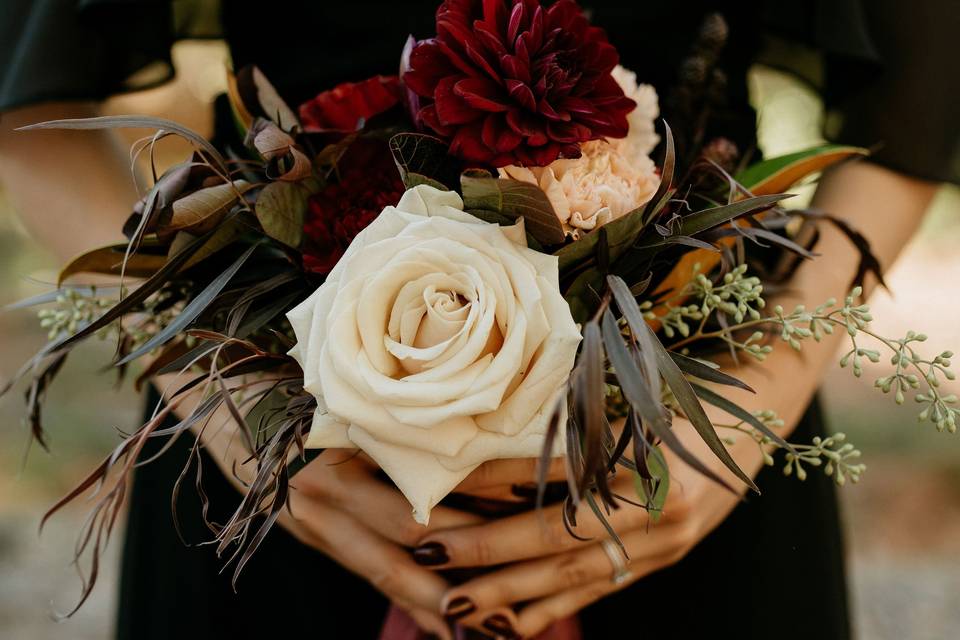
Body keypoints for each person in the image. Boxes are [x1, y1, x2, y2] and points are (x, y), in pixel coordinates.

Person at [0, 1, 955, 638]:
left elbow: (916, 100)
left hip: (679, 444)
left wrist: (758, 394)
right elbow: (24, 103)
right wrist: (229, 407)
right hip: (278, 466)